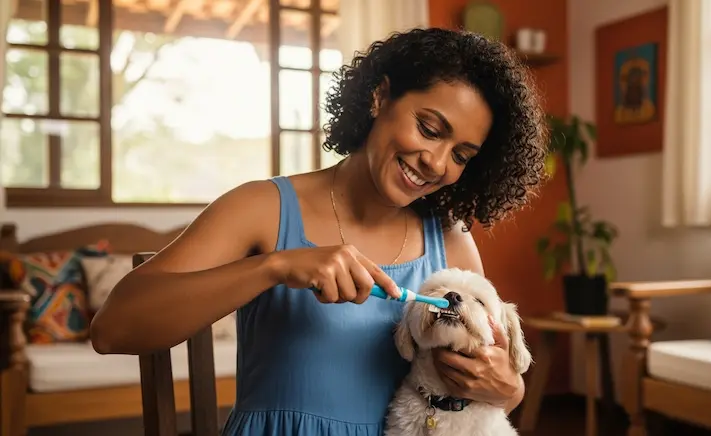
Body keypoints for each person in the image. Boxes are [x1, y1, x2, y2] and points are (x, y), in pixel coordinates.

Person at [90, 27, 548, 436]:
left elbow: (488, 399)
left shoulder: (449, 240)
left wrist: (508, 389)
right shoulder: (262, 208)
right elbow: (113, 330)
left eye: (461, 155)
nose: (437, 162)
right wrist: (274, 266)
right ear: (379, 98)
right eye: (429, 129)